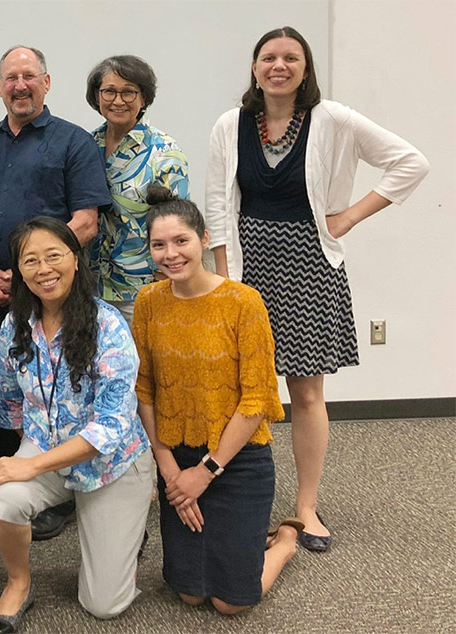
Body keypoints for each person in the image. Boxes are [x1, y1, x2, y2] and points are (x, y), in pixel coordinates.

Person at [205, 26, 429, 551]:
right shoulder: (230, 124)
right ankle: (233, 495)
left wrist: (349, 216)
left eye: (290, 58)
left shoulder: (334, 119)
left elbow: (410, 163)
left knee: (305, 391)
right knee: (240, 391)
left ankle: (306, 506)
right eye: (268, 57)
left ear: (305, 69)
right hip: (247, 267)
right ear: (255, 67)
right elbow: (218, 204)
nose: (278, 66)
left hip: (310, 266)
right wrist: (222, 283)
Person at [0, 45, 111, 540]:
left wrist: (28, 273)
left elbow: (85, 221)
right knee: (10, 392)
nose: (19, 85)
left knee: (64, 390)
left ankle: (60, 491)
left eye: (29, 76)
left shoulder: (73, 143)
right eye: (10, 78)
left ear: (46, 82)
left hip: (53, 293)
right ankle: (9, 486)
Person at [134, 185, 300, 613]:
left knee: (231, 603)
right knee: (189, 593)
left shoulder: (244, 302)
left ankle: (283, 543)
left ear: (204, 239)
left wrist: (205, 473)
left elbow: (258, 398)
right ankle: (243, 543)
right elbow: (144, 388)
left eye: (181, 241)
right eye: (159, 245)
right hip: (177, 455)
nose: (170, 254)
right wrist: (170, 469)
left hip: (236, 458)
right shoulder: (148, 302)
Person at [0, 217, 153, 631]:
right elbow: (10, 401)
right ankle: (20, 583)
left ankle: (126, 529)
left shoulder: (108, 325)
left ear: (76, 260)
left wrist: (32, 466)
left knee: (104, 604)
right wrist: (29, 454)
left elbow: (110, 428)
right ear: (19, 271)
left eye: (54, 256)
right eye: (31, 260)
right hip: (46, 450)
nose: (44, 269)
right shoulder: (13, 326)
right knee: (4, 500)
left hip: (112, 464)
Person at [84, 55, 189, 325]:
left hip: (143, 289)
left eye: (129, 92)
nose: (118, 101)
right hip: (89, 288)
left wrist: (166, 279)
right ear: (97, 97)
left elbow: (178, 226)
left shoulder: (165, 152)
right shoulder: (84, 146)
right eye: (109, 91)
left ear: (144, 99)